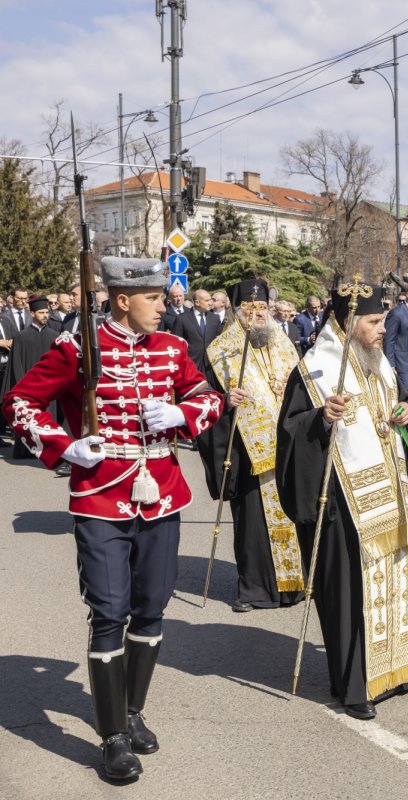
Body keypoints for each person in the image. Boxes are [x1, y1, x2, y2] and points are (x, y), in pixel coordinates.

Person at [1, 257, 223, 781]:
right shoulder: (79, 349)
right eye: (156, 299)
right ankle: (113, 738)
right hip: (101, 494)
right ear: (124, 300)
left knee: (152, 606)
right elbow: (19, 403)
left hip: (163, 492)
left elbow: (207, 397)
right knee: (109, 611)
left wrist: (184, 415)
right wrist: (66, 447)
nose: (165, 309)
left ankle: (132, 710)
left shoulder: (172, 349)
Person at [277, 283, 408, 721]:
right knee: (352, 593)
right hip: (345, 503)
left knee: (394, 576)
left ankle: (397, 669)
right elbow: (289, 432)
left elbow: (391, 414)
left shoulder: (380, 363)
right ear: (348, 322)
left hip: (389, 496)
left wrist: (405, 413)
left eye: (383, 321)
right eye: (374, 322)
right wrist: (321, 418)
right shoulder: (314, 369)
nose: (383, 329)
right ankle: (356, 685)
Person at [200, 279, 305, 612]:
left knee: (293, 517)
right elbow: (205, 401)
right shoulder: (220, 352)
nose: (259, 316)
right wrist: (225, 401)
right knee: (254, 527)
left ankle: (295, 586)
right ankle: (255, 590)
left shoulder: (284, 344)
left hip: (288, 451)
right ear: (237, 311)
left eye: (263, 309)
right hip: (248, 455)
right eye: (251, 309)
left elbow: (303, 388)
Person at [0, 296, 62, 459]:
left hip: (49, 387)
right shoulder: (21, 337)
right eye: (41, 312)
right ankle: (26, 450)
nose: (45, 316)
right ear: (32, 313)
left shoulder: (54, 335)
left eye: (46, 313)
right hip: (28, 389)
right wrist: (22, 388)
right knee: (28, 419)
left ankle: (49, 450)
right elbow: (16, 365)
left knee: (48, 419)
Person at [173, 288, 221, 374]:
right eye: (207, 300)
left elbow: (219, 340)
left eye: (211, 300)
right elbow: (176, 344)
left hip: (211, 366)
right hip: (191, 365)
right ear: (197, 302)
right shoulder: (182, 318)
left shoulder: (215, 318)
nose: (210, 303)